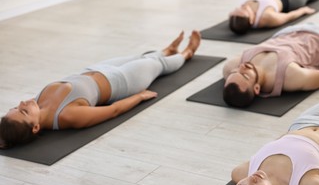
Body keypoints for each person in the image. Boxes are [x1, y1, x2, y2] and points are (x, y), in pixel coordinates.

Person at [0, 31, 201, 148]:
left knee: (142, 55)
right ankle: (186, 53)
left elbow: (8, 133)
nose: (23, 103)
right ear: (35, 127)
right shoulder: (67, 116)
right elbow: (112, 111)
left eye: (16, 107)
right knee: (156, 64)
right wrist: (139, 96)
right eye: (24, 111)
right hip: (123, 81)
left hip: (96, 69)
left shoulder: (36, 102)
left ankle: (167, 50)